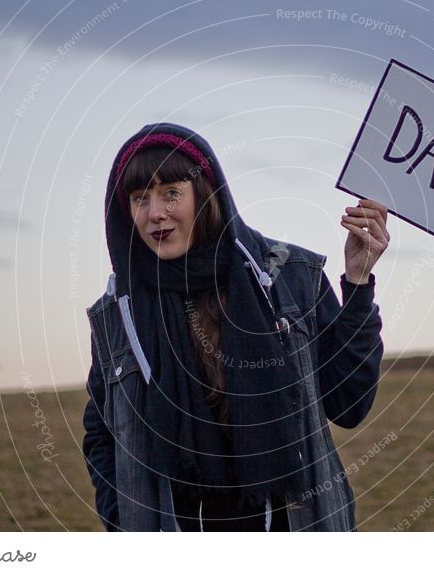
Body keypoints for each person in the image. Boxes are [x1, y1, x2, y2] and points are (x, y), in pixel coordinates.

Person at [81, 122, 389, 532]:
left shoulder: (288, 277)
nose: (156, 212)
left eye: (172, 192)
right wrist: (122, 521)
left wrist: (357, 285)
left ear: (206, 193)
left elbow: (349, 404)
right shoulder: (118, 315)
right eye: (140, 198)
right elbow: (102, 434)